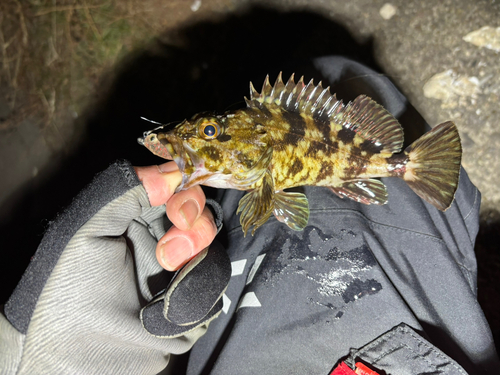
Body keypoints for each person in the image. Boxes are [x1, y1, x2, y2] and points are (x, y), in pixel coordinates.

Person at [1, 57, 499, 375]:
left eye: (213, 131)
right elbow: (282, 200)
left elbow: (282, 200)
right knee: (342, 72)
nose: (202, 137)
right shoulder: (241, 164)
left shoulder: (259, 152)